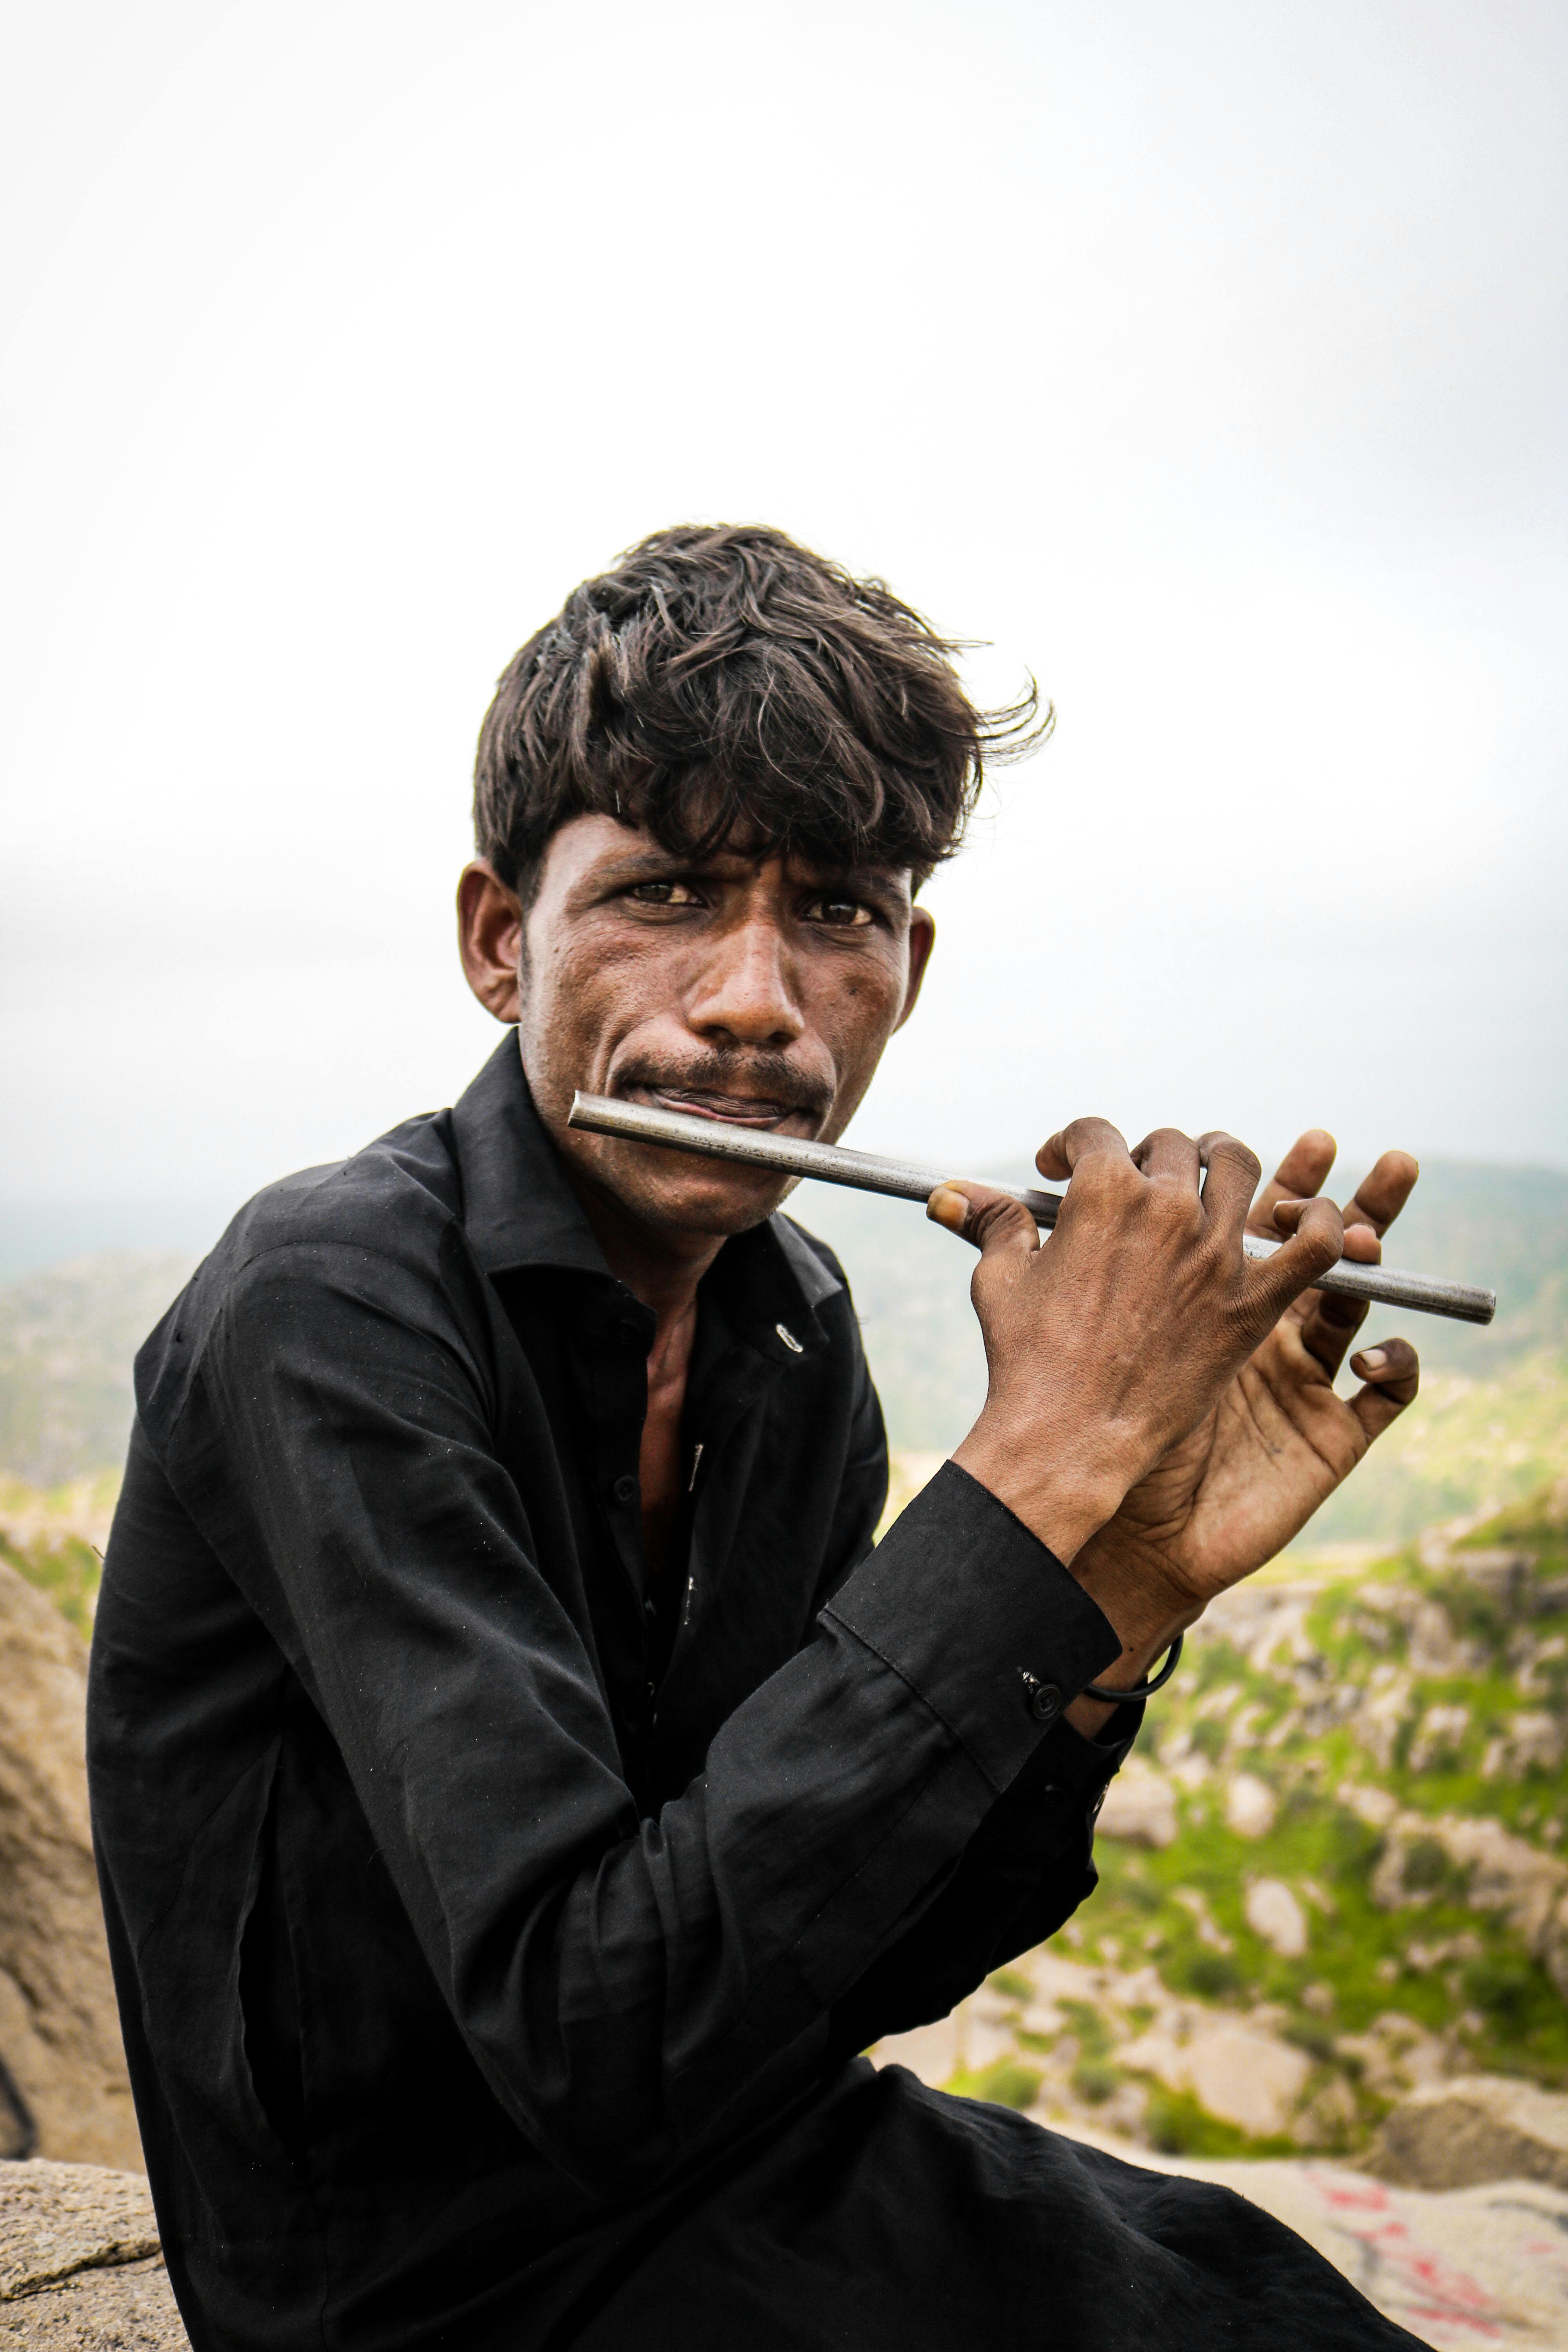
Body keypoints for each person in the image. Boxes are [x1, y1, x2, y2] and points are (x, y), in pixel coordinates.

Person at [89, 524, 1427, 2352]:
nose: (751, 1002)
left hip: (718, 2167)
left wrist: (1107, 1599)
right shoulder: (333, 1301)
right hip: (417, 2282)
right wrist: (1036, 1472)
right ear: (502, 941)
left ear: (909, 962)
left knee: (1256, 2301)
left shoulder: (791, 1333)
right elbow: (591, 2037)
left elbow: (843, 1955)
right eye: (663, 895)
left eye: (833, 913)